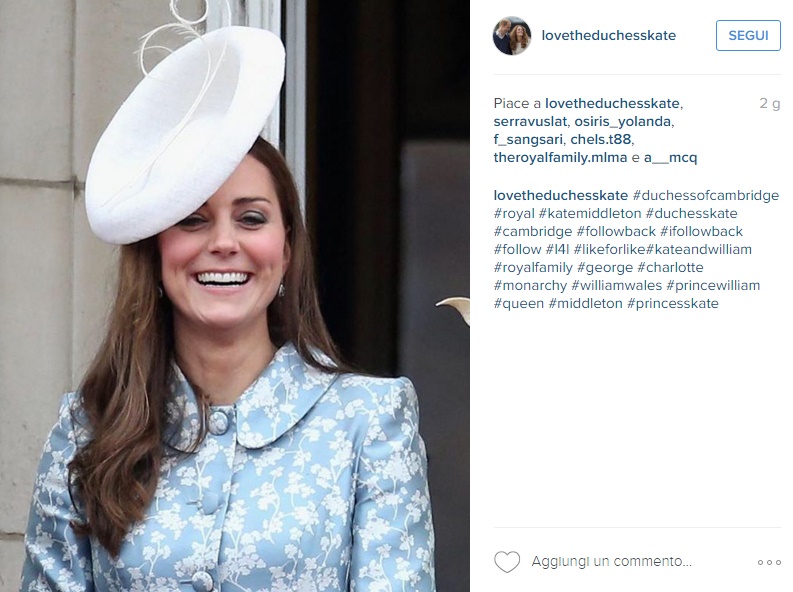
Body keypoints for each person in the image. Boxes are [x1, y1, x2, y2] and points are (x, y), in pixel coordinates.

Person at [20, 23, 435, 592]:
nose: (223, 242)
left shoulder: (368, 422)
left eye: (251, 218)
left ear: (286, 251)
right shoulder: (86, 431)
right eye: (192, 219)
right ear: (156, 252)